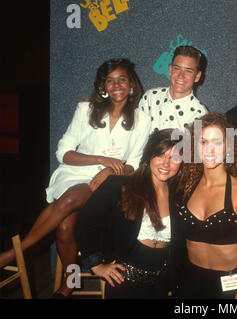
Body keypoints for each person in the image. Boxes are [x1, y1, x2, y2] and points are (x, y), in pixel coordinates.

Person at [0, 58, 151, 297]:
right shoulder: (86, 110)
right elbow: (64, 152)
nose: (116, 85)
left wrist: (110, 171)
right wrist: (101, 160)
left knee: (68, 210)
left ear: (131, 84)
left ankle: (17, 252)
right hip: (75, 174)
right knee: (64, 227)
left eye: (122, 79)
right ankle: (68, 282)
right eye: (110, 81)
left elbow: (134, 163)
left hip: (111, 184)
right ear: (103, 87)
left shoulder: (142, 118)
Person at [75, 129, 184, 298]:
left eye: (174, 158)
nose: (166, 164)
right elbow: (85, 222)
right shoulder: (119, 186)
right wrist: (96, 265)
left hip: (161, 284)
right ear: (149, 156)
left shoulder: (179, 197)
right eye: (160, 155)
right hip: (123, 282)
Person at [176, 112, 237, 299]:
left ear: (228, 147)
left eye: (217, 142)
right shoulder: (186, 187)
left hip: (231, 289)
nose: (209, 150)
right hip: (190, 283)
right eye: (203, 142)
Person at [139, 45, 208, 133]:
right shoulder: (150, 98)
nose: (181, 75)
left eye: (188, 71)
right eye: (177, 68)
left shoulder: (200, 115)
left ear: (197, 76)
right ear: (170, 70)